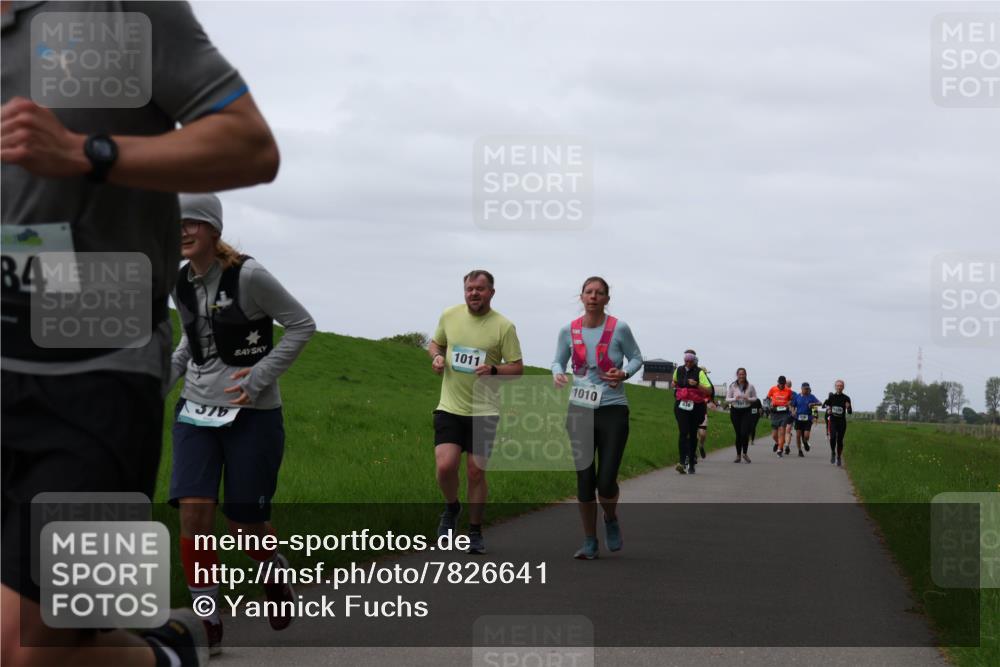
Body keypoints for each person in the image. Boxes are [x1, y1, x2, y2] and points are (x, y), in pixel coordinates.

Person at [1, 3, 279, 666]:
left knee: (28, 649)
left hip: (93, 368)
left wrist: (84, 152)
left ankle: (168, 652)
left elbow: (250, 145)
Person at [168, 194, 315, 654]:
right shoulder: (181, 281)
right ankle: (208, 619)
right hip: (196, 410)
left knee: (245, 528)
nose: (184, 230)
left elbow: (301, 325)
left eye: (193, 222)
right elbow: (191, 344)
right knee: (194, 515)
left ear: (213, 229)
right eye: (176, 223)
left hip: (253, 415)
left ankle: (274, 570)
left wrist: (259, 377)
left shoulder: (249, 276)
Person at [429, 271, 523, 554]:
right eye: (470, 289)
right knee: (445, 466)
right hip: (450, 406)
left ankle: (474, 531)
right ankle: (452, 507)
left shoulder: (503, 327)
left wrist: (494, 370)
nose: (474, 294)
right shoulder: (449, 315)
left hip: (484, 411)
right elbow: (437, 343)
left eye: (480, 289)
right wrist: (435, 356)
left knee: (476, 472)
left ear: (491, 292)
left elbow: (517, 369)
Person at [552, 277, 642, 560]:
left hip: (613, 408)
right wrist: (558, 372)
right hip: (579, 408)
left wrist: (624, 373)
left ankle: (611, 518)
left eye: (599, 293)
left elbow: (637, 358)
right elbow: (557, 360)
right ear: (581, 297)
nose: (593, 296)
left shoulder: (619, 328)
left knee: (606, 482)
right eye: (588, 292)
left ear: (606, 299)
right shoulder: (569, 330)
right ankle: (590, 540)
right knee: (584, 480)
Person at [672, 350, 713, 474]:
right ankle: (681, 462)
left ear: (694, 361)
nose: (688, 363)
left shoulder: (699, 372)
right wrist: (677, 386)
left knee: (692, 433)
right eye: (686, 361)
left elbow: (709, 391)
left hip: (696, 407)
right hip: (681, 405)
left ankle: (691, 463)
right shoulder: (679, 370)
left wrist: (696, 385)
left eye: (690, 361)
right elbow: (673, 382)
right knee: (683, 432)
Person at [726, 368, 757, 463]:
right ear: (737, 375)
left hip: (746, 411)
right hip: (735, 411)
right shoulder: (732, 386)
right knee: (738, 434)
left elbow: (755, 398)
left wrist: (748, 399)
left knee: (744, 433)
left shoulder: (750, 386)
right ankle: (738, 455)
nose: (742, 376)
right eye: (740, 374)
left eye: (743, 374)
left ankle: (745, 453)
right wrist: (734, 399)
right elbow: (727, 399)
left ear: (746, 375)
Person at [822, 380, 853, 466]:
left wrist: (848, 407)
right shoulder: (832, 397)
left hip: (842, 422)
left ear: (843, 387)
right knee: (833, 438)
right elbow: (825, 405)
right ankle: (833, 452)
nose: (839, 387)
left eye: (840, 386)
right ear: (835, 387)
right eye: (837, 386)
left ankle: (839, 457)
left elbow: (850, 412)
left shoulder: (846, 398)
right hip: (833, 421)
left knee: (839, 440)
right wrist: (828, 409)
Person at [766, 376, 794, 457]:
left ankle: (779, 449)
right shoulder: (773, 389)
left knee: (782, 432)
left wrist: (789, 403)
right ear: (778, 382)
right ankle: (778, 443)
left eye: (783, 384)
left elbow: (791, 400)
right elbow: (767, 398)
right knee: (774, 435)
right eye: (780, 384)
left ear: (785, 383)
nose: (782, 385)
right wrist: (769, 405)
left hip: (784, 413)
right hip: (775, 412)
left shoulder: (788, 390)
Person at [790, 382, 821, 457]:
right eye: (805, 389)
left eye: (807, 388)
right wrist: (793, 411)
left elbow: (820, 403)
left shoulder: (811, 397)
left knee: (806, 435)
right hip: (798, 418)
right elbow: (792, 405)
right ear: (802, 389)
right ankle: (800, 450)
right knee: (798, 435)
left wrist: (813, 404)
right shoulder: (797, 396)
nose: (806, 390)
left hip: (808, 418)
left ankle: (805, 442)